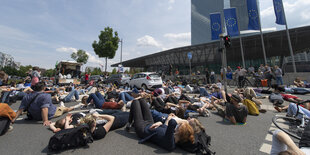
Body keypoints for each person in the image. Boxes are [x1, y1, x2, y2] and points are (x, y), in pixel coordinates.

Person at [126, 98, 194, 151]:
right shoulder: (172, 134)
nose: (178, 126)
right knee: (142, 101)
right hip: (150, 123)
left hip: (143, 129)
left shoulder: (170, 144)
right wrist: (161, 122)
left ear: (180, 132)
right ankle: (130, 123)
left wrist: (181, 120)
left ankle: (129, 122)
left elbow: (172, 122)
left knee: (135, 102)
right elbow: (166, 126)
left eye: (179, 126)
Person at [12, 82, 78, 126]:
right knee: (65, 109)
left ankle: (67, 106)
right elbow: (44, 109)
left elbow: (20, 109)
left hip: (34, 116)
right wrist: (45, 120)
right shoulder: (46, 96)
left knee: (62, 107)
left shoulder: (27, 96)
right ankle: (74, 107)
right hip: (50, 113)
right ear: (43, 88)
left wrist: (13, 119)